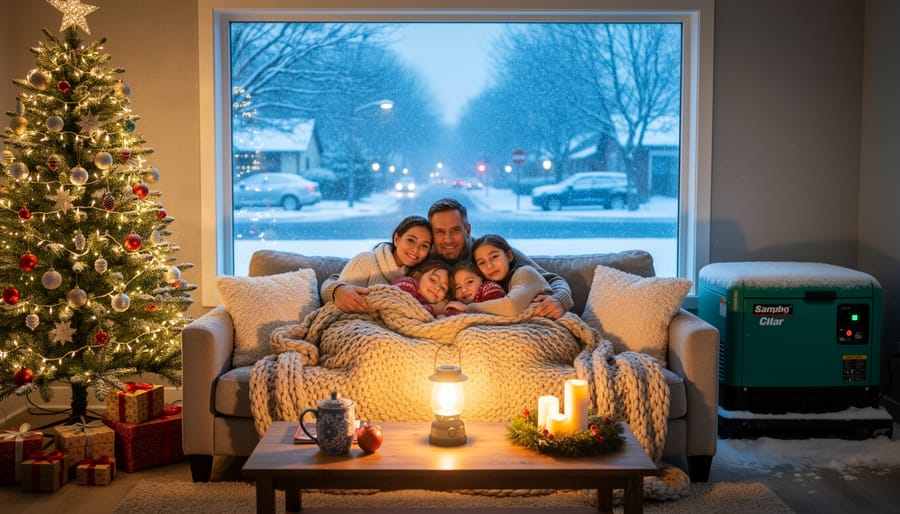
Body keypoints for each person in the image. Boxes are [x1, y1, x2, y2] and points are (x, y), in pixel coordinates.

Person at [427, 198, 573, 318]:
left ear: (468, 229)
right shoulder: (426, 257)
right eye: (440, 232)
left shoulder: (486, 251)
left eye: (455, 230)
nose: (448, 239)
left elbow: (552, 279)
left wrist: (560, 299)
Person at [320, 215, 432, 312]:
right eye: (411, 240)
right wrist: (336, 290)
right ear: (397, 239)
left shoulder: (420, 278)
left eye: (424, 246)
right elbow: (340, 305)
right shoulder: (366, 261)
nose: (416, 250)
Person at [444, 234, 551, 317]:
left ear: (508, 256)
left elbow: (512, 307)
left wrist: (467, 308)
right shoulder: (493, 286)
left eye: (494, 257)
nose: (489, 266)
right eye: (482, 263)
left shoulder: (525, 273)